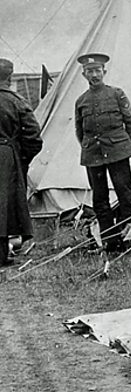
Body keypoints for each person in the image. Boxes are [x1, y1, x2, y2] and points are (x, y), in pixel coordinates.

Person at [73, 52, 131, 253]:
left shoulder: (116, 94)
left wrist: (124, 147)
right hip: (93, 156)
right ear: (84, 75)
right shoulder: (81, 101)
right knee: (100, 201)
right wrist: (90, 148)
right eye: (89, 71)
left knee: (126, 195)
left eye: (97, 71)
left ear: (104, 72)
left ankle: (130, 240)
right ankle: (110, 243)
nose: (94, 75)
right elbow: (80, 131)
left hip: (118, 152)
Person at [0, 58, 42, 266]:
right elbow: (34, 137)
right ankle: (5, 251)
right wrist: (21, 159)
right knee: (6, 204)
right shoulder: (17, 101)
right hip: (7, 156)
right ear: (10, 77)